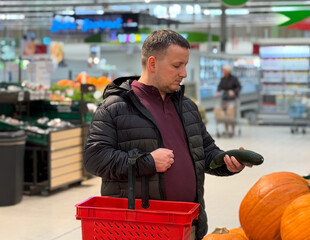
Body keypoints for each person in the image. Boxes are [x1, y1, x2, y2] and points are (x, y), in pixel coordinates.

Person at [84, 29, 251, 240]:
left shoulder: (188, 107)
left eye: (185, 65)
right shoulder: (115, 107)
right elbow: (94, 159)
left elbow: (206, 153)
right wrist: (147, 162)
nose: (184, 73)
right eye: (176, 66)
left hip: (186, 226)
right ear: (152, 64)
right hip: (139, 229)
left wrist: (227, 162)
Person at [215, 65, 242, 137]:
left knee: (231, 114)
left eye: (224, 70)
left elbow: (239, 87)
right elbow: (219, 86)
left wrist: (233, 91)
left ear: (228, 71)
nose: (223, 72)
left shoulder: (234, 79)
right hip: (225, 99)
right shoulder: (222, 79)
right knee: (225, 114)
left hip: (233, 99)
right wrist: (218, 91)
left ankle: (232, 130)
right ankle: (226, 130)